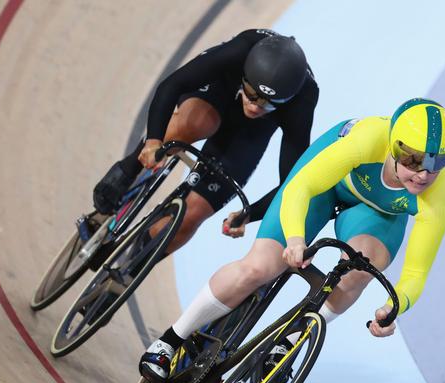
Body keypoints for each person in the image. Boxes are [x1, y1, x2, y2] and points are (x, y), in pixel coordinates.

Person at [139, 98, 445, 383]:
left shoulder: (438, 195)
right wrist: (294, 240)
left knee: (360, 270)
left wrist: (393, 307)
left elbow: (416, 273)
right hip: (321, 187)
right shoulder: (367, 140)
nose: (424, 175)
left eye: (437, 163)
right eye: (413, 160)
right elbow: (300, 188)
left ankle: (288, 342)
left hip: (374, 214)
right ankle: (168, 341)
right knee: (259, 268)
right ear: (392, 147)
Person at [92, 29, 319, 255]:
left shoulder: (303, 100)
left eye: (268, 103)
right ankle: (128, 173)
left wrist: (249, 214)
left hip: (252, 133)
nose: (254, 106)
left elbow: (291, 184)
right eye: (251, 94)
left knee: (194, 214)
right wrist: (152, 141)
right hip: (217, 91)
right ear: (245, 76)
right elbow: (172, 85)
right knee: (197, 124)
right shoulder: (240, 50)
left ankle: (132, 262)